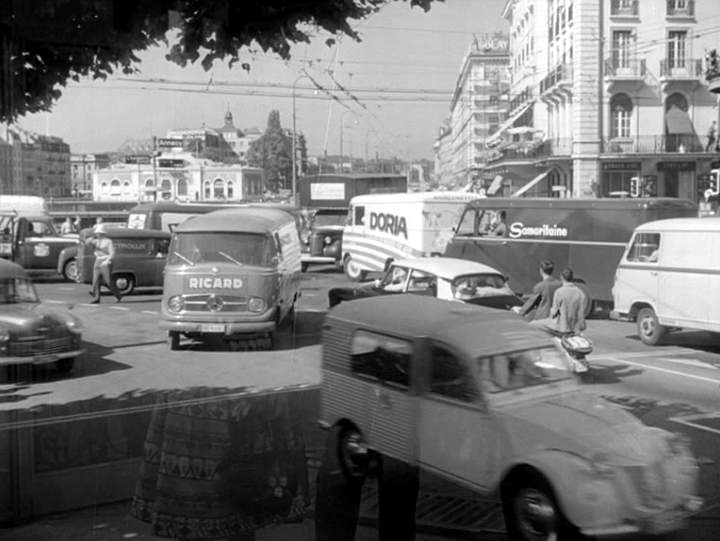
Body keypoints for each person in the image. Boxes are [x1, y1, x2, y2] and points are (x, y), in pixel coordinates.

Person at [531, 268, 587, 335]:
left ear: (561, 277)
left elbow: (554, 312)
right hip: (574, 328)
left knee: (532, 324)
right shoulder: (580, 293)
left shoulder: (559, 292)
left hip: (560, 327)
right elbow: (581, 313)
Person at [86, 224, 122, 303]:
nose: (97, 234)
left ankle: (118, 295)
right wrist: (93, 236)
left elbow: (112, 253)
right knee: (95, 281)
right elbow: (87, 242)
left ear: (102, 233)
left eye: (98, 233)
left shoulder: (108, 241)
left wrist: (107, 261)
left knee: (108, 281)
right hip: (98, 261)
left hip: (106, 261)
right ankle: (96, 298)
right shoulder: (95, 241)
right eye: (96, 233)